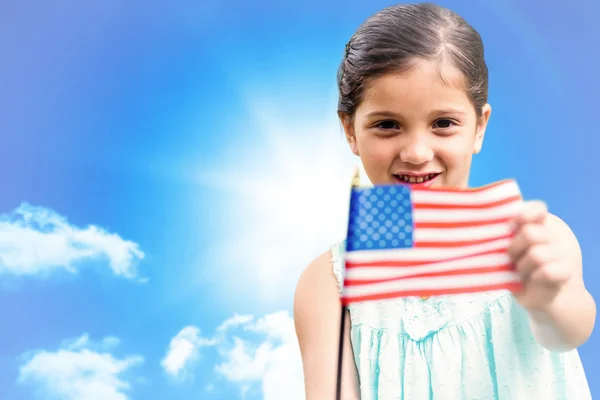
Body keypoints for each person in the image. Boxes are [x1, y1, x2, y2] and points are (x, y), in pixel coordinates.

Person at [293, 3, 596, 399]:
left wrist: (546, 301)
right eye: (388, 125)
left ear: (479, 126)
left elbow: (570, 330)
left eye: (443, 124)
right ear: (351, 130)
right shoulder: (329, 283)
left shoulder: (535, 241)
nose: (417, 152)